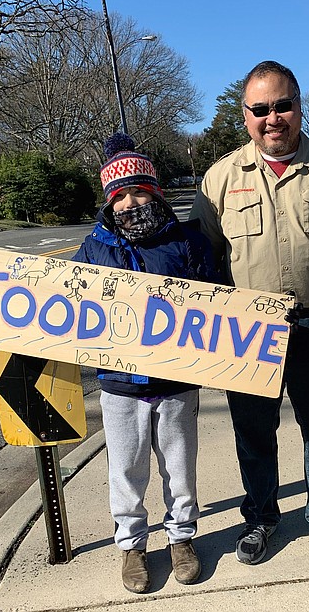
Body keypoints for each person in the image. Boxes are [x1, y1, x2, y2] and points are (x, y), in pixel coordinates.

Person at [190, 60, 309, 566]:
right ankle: (260, 518)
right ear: (245, 115)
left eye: (283, 105)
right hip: (246, 327)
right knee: (253, 433)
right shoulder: (219, 179)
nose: (272, 117)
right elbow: (199, 262)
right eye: (261, 109)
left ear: (299, 107)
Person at [73, 133, 217, 593]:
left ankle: (181, 538)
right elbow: (59, 308)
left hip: (176, 381)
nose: (132, 201)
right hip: (119, 385)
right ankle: (132, 545)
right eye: (121, 194)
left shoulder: (186, 242)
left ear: (154, 190)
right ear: (109, 201)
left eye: (140, 190)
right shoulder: (94, 249)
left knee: (180, 464)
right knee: (127, 468)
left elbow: (221, 301)